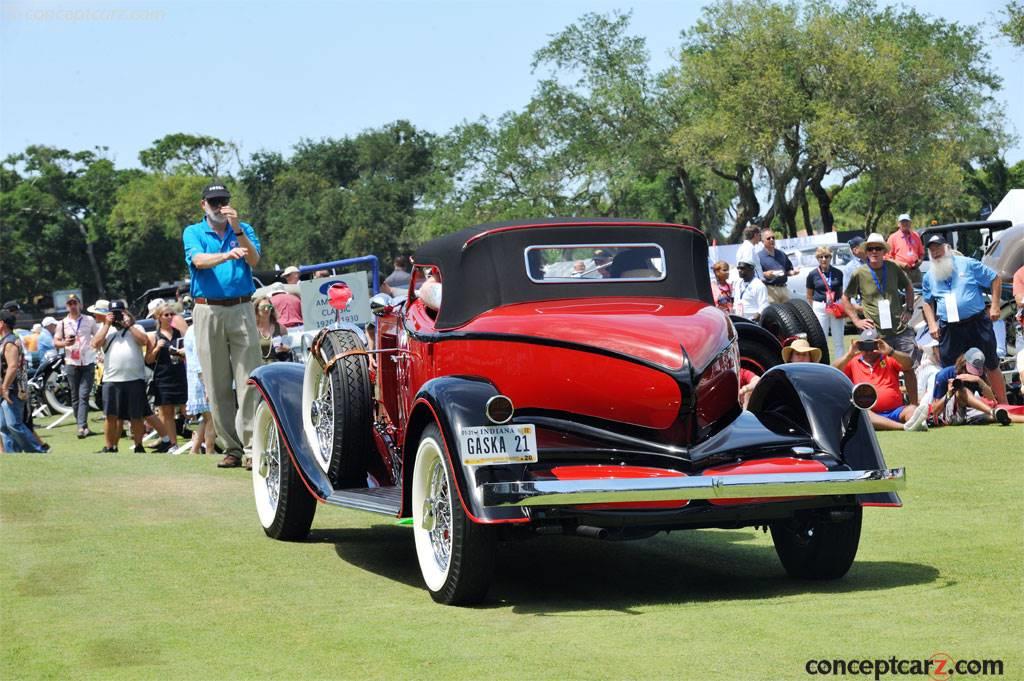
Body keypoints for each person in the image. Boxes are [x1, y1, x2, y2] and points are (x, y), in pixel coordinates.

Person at [182, 182, 263, 469]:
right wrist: (227, 255)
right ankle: (232, 448)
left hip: (241, 307)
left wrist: (238, 229)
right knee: (216, 384)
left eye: (223, 201)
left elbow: (254, 259)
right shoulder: (193, 232)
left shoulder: (243, 229)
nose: (219, 207)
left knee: (249, 379)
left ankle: (254, 447)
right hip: (208, 310)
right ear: (202, 204)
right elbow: (198, 260)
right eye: (213, 202)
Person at [920, 235, 1007, 404]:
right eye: (931, 249)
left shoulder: (967, 264)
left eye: (938, 247)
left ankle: (1004, 404)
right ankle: (953, 408)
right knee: (951, 369)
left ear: (947, 247)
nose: (935, 252)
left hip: (976, 322)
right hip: (950, 328)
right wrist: (931, 324)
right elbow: (927, 302)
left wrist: (995, 305)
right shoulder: (929, 276)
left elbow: (995, 279)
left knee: (991, 363)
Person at [842, 232, 918, 402]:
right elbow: (845, 298)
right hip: (875, 333)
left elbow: (909, 287)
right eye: (870, 249)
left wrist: (910, 310)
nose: (874, 251)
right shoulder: (859, 273)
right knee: (877, 371)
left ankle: (914, 407)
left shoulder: (893, 268)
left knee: (908, 368)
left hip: (899, 329)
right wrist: (856, 320)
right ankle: (884, 405)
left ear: (884, 251)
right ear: (866, 252)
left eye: (877, 248)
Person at [833, 328, 927, 432]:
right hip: (869, 413)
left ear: (879, 344)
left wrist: (891, 351)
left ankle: (910, 421)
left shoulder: (889, 357)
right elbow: (833, 372)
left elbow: (909, 364)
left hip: (896, 410)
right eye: (865, 346)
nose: (869, 351)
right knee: (861, 413)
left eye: (872, 346)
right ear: (859, 346)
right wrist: (848, 355)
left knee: (912, 411)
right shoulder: (853, 361)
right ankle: (903, 426)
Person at [90, 300, 152, 453]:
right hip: (112, 379)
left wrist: (129, 325)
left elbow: (144, 341)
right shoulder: (106, 329)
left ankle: (139, 446)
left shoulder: (136, 327)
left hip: (134, 378)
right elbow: (95, 343)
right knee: (111, 416)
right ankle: (110, 446)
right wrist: (106, 324)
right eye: (114, 313)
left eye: (120, 312)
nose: (117, 316)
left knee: (136, 416)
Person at [926, 348, 1016, 426]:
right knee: (962, 391)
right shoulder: (945, 375)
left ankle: (996, 414)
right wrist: (949, 393)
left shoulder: (979, 377)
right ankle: (992, 412)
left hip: (968, 413)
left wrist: (979, 381)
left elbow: (993, 402)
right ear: (964, 362)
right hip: (947, 415)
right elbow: (934, 411)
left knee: (1000, 415)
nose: (973, 373)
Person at [55, 293, 99, 439]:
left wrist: (97, 350)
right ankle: (82, 424)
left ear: (80, 304)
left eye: (75, 303)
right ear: (67, 306)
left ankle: (81, 426)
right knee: (75, 397)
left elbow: (98, 336)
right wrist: (64, 343)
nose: (73, 306)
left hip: (87, 361)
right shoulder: (62, 323)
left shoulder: (89, 320)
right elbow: (56, 342)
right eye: (70, 304)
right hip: (71, 362)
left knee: (84, 395)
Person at [1, 312, 47, 453]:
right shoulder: (5, 341)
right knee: (4, 426)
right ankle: (12, 455)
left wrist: (4, 387)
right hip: (7, 389)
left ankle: (38, 450)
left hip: (13, 389)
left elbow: (13, 366)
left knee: (14, 424)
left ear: (2, 323)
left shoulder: (10, 342)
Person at [146, 303, 187, 453]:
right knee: (167, 413)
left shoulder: (179, 333)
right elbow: (149, 359)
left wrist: (183, 352)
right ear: (159, 317)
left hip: (180, 375)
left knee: (187, 410)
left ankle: (198, 439)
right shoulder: (154, 336)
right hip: (163, 378)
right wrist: (157, 348)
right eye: (166, 315)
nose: (170, 317)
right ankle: (173, 444)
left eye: (171, 314)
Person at [182, 325, 217, 455]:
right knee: (211, 418)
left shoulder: (192, 329)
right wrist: (207, 385)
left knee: (206, 417)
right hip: (202, 379)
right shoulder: (197, 331)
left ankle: (194, 449)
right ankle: (209, 449)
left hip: (197, 380)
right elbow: (198, 361)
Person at [806, 246, 846, 359]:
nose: (824, 259)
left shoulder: (838, 273)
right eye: (821, 257)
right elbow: (809, 295)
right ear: (817, 258)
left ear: (830, 258)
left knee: (839, 339)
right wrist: (814, 309)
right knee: (821, 339)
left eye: (827, 256)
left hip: (835, 306)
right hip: (820, 306)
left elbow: (841, 291)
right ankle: (823, 364)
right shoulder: (812, 274)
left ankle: (841, 366)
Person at [758, 227, 798, 303]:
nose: (772, 240)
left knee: (787, 313)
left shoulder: (781, 254)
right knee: (774, 314)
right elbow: (755, 275)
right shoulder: (759, 257)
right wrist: (765, 274)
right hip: (770, 290)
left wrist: (793, 272)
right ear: (763, 241)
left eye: (773, 237)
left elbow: (788, 270)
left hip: (784, 289)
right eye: (768, 238)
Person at [886, 213, 925, 284]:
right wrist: (902, 264)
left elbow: (921, 253)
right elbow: (887, 258)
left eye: (907, 221)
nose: (905, 224)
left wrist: (920, 261)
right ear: (898, 224)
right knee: (904, 293)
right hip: (901, 271)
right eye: (902, 222)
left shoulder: (916, 235)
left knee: (919, 292)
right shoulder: (893, 238)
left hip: (915, 271)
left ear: (910, 223)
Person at [253, 295, 293, 363]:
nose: (266, 309)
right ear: (257, 309)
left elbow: (288, 349)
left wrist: (286, 349)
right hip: (258, 367)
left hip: (277, 366)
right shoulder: (252, 329)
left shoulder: (281, 328)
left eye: (269, 307)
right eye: (263, 307)